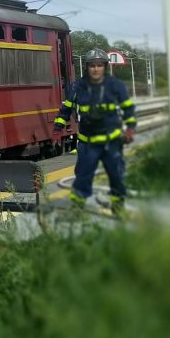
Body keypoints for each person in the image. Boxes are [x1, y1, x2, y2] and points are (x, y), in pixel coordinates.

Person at [53, 48, 137, 215]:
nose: (96, 69)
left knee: (116, 176)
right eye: (92, 65)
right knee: (82, 178)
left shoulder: (115, 86)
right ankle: (77, 209)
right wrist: (58, 128)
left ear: (105, 67)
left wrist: (130, 130)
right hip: (87, 144)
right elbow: (66, 109)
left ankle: (118, 208)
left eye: (99, 65)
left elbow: (128, 109)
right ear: (87, 67)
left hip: (111, 143)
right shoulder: (78, 87)